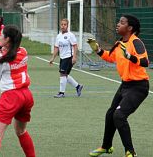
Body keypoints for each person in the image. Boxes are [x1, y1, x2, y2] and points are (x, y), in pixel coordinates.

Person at [87, 15, 149, 157]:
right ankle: (106, 147)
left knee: (119, 115)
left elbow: (145, 61)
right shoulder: (119, 43)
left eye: (122, 22)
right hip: (125, 86)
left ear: (130, 28)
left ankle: (130, 152)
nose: (117, 24)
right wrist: (97, 49)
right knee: (110, 115)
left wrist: (130, 57)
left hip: (138, 87)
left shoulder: (136, 42)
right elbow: (110, 57)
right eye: (119, 22)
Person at [0, 25, 35, 157]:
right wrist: (2, 53)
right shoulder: (23, 51)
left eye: (2, 35)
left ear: (7, 39)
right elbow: (13, 56)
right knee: (21, 131)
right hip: (26, 95)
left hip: (11, 96)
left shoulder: (3, 59)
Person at [49, 18, 83, 98]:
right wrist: (53, 58)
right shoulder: (59, 36)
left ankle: (61, 93)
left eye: (65, 24)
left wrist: (74, 57)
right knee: (65, 75)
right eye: (62, 24)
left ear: (67, 26)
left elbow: (75, 46)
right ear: (60, 25)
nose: (63, 26)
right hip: (62, 57)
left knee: (62, 74)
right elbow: (56, 47)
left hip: (68, 57)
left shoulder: (70, 35)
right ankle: (78, 86)